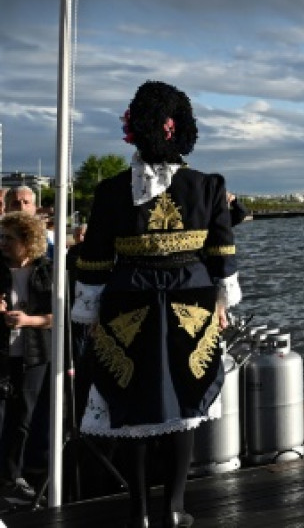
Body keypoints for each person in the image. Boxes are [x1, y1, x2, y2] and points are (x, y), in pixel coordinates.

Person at [72, 82, 239, 528]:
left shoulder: (109, 191)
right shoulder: (207, 186)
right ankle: (174, 507)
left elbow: (93, 261)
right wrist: (223, 305)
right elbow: (223, 258)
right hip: (193, 306)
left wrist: (88, 314)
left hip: (128, 304)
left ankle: (139, 510)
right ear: (180, 128)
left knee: (131, 407)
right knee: (184, 404)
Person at [0, 211, 53, 503]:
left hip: (34, 354)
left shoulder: (48, 270)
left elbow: (59, 316)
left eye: (9, 238)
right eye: (2, 237)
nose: (3, 243)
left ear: (28, 241)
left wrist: (27, 321)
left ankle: (13, 478)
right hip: (3, 354)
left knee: (24, 417)